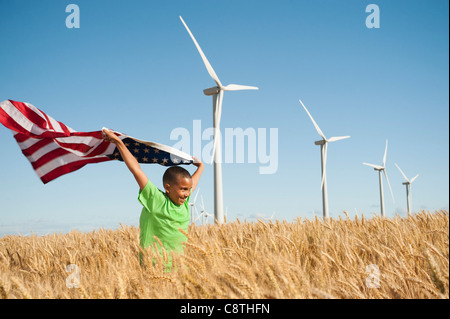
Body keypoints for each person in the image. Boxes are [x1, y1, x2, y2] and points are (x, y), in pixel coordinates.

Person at [101, 128, 204, 270]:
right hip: (154, 268)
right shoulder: (155, 199)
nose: (187, 193)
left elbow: (193, 182)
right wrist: (119, 142)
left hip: (180, 269)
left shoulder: (184, 201)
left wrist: (201, 166)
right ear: (168, 188)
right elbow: (136, 169)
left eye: (188, 189)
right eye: (183, 189)